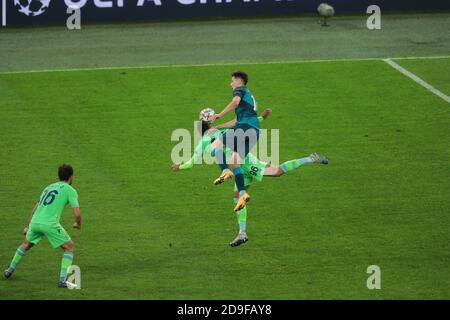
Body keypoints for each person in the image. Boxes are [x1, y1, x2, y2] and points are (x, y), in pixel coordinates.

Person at [4, 164, 82, 288]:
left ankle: (10, 270)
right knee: (69, 247)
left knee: (26, 244)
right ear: (70, 177)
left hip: (35, 222)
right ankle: (62, 280)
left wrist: (28, 226)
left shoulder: (48, 187)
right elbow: (77, 214)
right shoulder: (70, 190)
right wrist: (78, 224)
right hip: (49, 224)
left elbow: (35, 208)